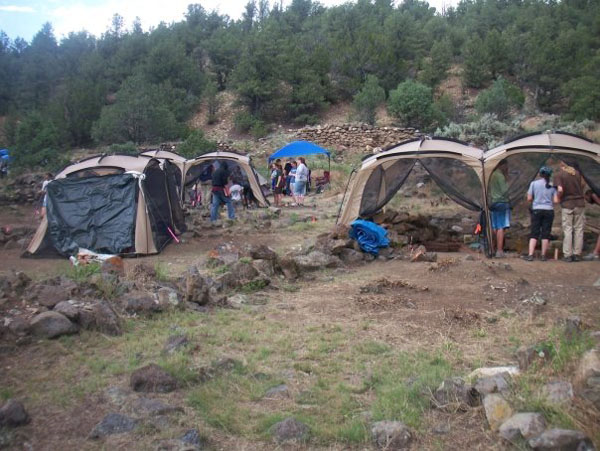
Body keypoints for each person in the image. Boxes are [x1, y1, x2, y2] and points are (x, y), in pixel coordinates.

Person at [523, 166, 557, 261]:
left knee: (534, 232)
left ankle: (530, 255)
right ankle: (543, 255)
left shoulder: (534, 184)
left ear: (540, 174)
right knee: (545, 233)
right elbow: (555, 200)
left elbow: (529, 198)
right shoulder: (552, 185)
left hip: (537, 209)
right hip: (549, 210)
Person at [554, 161, 585, 262]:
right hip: (579, 203)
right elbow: (583, 185)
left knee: (568, 229)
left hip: (567, 204)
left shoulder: (559, 175)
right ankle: (577, 254)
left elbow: (560, 189)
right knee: (579, 229)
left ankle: (568, 254)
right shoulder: (577, 173)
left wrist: (558, 198)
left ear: (562, 165)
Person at [489, 160, 510, 257]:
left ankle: (492, 248)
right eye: (506, 165)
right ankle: (499, 250)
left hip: (493, 202)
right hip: (502, 202)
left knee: (494, 227)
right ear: (502, 165)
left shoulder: (492, 175)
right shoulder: (500, 176)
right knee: (501, 227)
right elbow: (505, 191)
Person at [583, 190, 600, 261]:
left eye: (586, 197)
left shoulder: (594, 195)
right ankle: (596, 253)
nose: (586, 200)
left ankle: (595, 253)